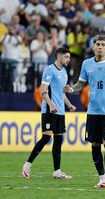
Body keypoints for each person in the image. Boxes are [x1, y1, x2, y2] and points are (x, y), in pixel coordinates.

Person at [64, 35, 105, 188]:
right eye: (97, 44)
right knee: (94, 144)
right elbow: (81, 84)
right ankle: (101, 177)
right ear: (93, 47)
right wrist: (72, 89)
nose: (100, 47)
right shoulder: (86, 64)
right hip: (93, 111)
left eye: (102, 45)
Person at [22, 47, 76, 179]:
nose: (68, 60)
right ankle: (27, 165)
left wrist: (69, 104)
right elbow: (43, 90)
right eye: (66, 57)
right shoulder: (49, 70)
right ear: (58, 56)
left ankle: (57, 171)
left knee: (58, 139)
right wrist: (51, 105)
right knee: (46, 137)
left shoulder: (64, 72)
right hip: (49, 110)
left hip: (60, 111)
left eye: (69, 57)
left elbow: (60, 92)